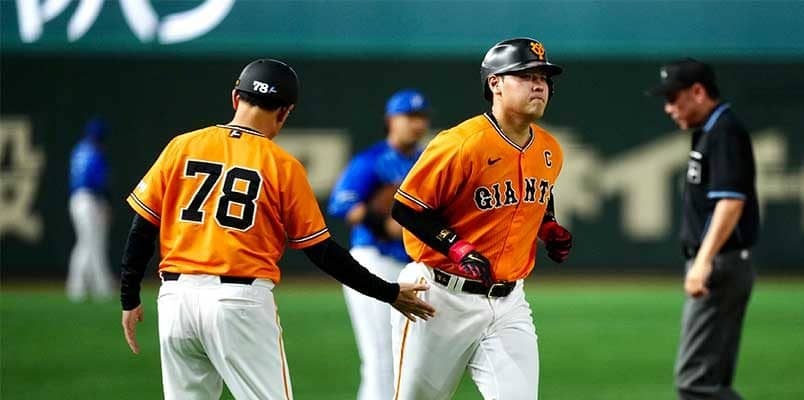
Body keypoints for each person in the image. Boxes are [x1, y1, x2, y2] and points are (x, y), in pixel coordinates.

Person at [119, 58, 435, 399]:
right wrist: (388, 292)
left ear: (235, 98)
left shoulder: (182, 146)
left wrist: (129, 296)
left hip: (175, 300)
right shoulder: (282, 165)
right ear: (285, 112)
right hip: (239, 301)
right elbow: (323, 252)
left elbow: (142, 229)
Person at [388, 38, 574, 400]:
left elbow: (534, 195)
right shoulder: (461, 143)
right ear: (495, 83)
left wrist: (548, 226)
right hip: (438, 296)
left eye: (543, 77)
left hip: (509, 303)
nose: (539, 85)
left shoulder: (548, 148)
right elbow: (406, 208)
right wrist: (457, 247)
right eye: (526, 75)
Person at [647, 58, 760, 400]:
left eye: (673, 97)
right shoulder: (710, 129)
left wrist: (703, 261)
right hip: (723, 263)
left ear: (698, 92)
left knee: (695, 383)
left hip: (720, 265)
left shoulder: (724, 131)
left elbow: (730, 202)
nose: (668, 107)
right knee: (710, 382)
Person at [327, 89, 430, 400]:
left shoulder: (426, 162)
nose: (416, 123)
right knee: (381, 359)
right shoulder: (371, 161)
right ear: (390, 120)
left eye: (421, 117)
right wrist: (383, 224)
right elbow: (342, 204)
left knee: (408, 359)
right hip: (374, 262)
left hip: (411, 267)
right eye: (409, 116)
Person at [67, 117, 113, 302]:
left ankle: (77, 286)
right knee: (93, 243)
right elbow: (98, 181)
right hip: (90, 199)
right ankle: (100, 287)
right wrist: (105, 203)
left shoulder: (78, 150)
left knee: (85, 243)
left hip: (76, 199)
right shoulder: (95, 152)